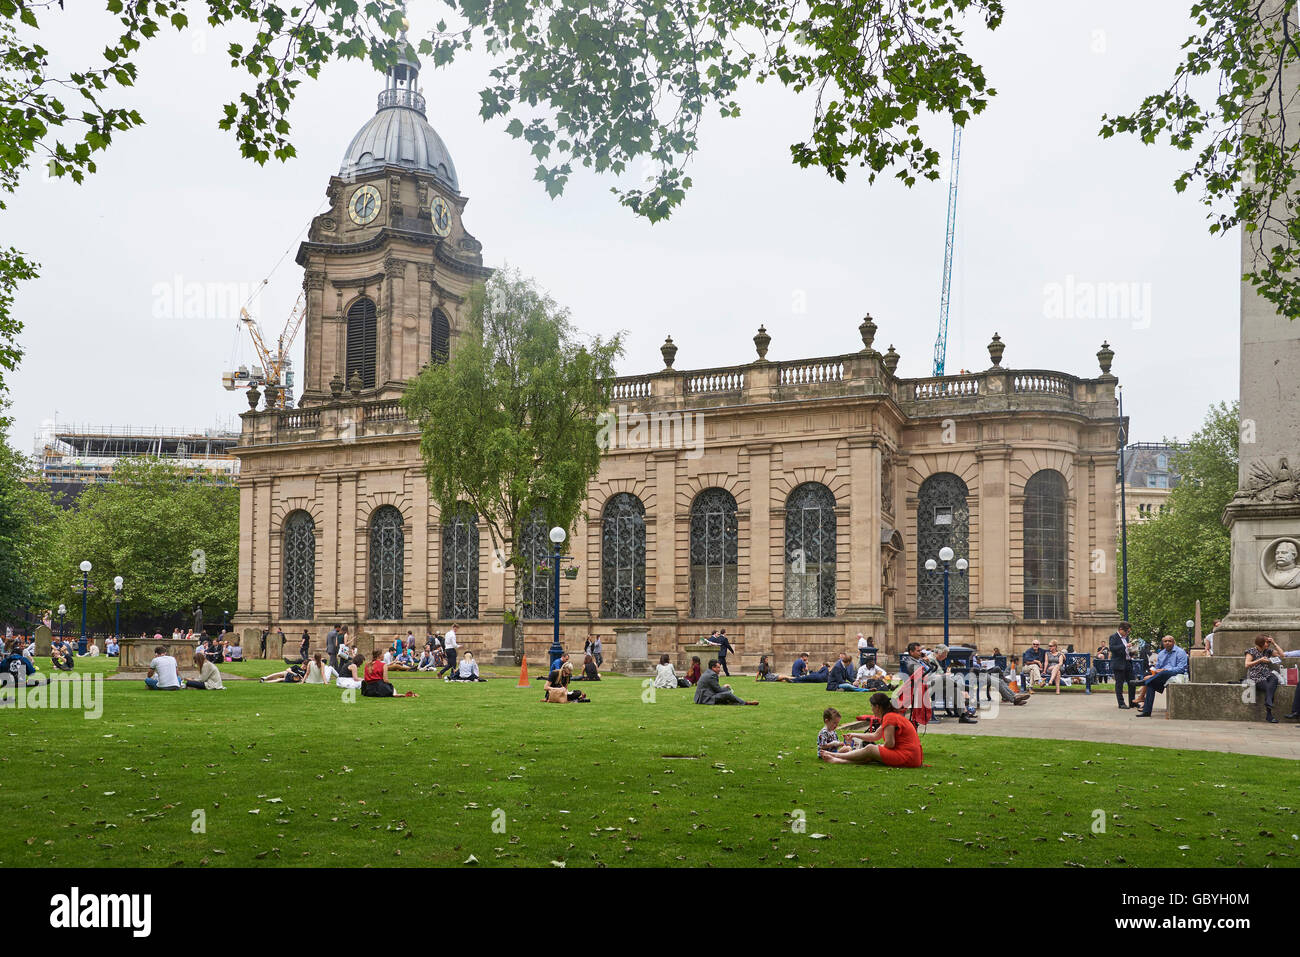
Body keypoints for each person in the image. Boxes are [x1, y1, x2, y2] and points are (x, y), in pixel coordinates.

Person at [819, 692, 923, 768]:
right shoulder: (892, 716)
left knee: (870, 749)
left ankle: (834, 755)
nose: (871, 709)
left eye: (872, 706)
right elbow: (875, 736)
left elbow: (890, 744)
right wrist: (854, 734)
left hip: (908, 756)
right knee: (869, 754)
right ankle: (838, 760)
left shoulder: (889, 717)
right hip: (912, 757)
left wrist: (879, 747)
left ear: (877, 707)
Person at [1134, 635, 1190, 717]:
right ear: (1163, 643)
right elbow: (1158, 667)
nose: (1167, 643)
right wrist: (1156, 671)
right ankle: (1146, 712)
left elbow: (1181, 669)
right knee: (1150, 685)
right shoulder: (1161, 653)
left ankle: (1144, 682)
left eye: (1169, 641)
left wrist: (1165, 670)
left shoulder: (1180, 652)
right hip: (1161, 676)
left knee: (1162, 674)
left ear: (1173, 642)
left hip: (1177, 675)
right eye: (1165, 641)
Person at [1244, 635, 1282, 723]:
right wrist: (1260, 660)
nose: (1268, 644)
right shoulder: (1251, 651)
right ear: (1260, 643)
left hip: (1267, 674)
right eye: (1267, 642)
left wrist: (1274, 643)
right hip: (1256, 676)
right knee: (1269, 687)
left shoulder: (1267, 651)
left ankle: (1268, 701)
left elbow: (1282, 655)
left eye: (1269, 642)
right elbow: (1247, 664)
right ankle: (1269, 715)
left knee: (1274, 679)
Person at [1107, 621, 1137, 709]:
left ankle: (1132, 702)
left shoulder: (1126, 638)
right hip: (1119, 663)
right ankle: (1121, 703)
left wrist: (1132, 652)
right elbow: (1112, 648)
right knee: (1119, 684)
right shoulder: (1113, 637)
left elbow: (1126, 651)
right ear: (1120, 630)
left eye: (1129, 632)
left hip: (1128, 662)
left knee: (1132, 683)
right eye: (1127, 631)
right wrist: (1125, 646)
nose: (1128, 633)